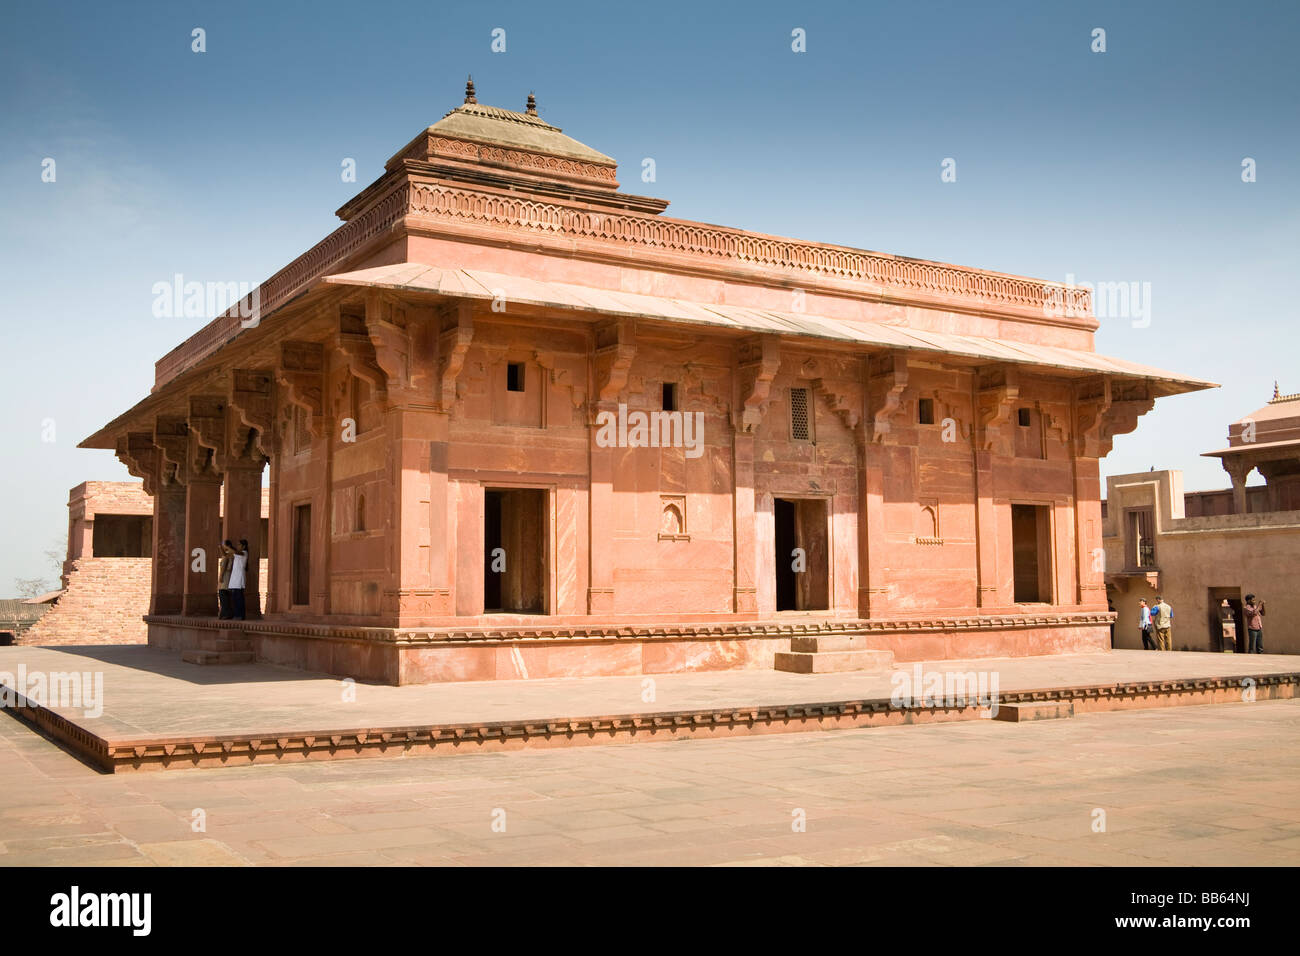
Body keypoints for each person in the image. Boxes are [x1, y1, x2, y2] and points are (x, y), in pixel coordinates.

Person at [228, 539, 249, 621]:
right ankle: (236, 614)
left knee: (239, 598)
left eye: (239, 545)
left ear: (244, 546)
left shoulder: (244, 553)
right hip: (234, 578)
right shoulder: (237, 554)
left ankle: (241, 615)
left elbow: (236, 552)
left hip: (239, 578)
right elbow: (226, 555)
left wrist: (228, 547)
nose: (238, 546)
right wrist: (221, 547)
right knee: (234, 598)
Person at [217, 540, 234, 619]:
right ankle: (225, 613)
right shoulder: (230, 554)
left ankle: (226, 613)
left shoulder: (228, 555)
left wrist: (221, 576)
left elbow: (224, 566)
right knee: (225, 595)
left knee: (223, 594)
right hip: (228, 576)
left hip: (225, 576)